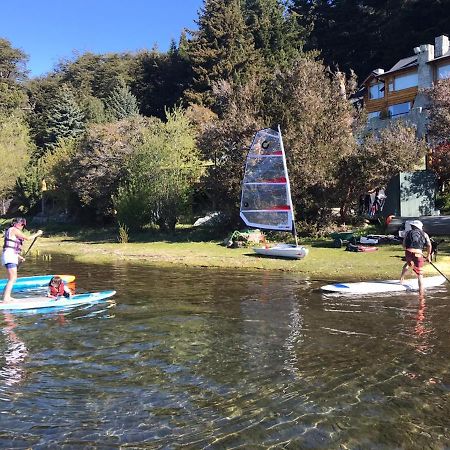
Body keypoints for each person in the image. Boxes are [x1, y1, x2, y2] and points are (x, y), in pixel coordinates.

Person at [1, 218, 43, 302]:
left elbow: (11, 248)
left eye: (23, 225)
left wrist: (20, 257)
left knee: (11, 278)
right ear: (16, 223)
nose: (22, 226)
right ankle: (6, 298)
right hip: (9, 256)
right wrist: (38, 233)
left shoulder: (11, 230)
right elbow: (27, 238)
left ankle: (6, 297)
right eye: (22, 224)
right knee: (13, 278)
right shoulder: (13, 230)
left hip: (10, 255)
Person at [400, 220, 432, 297]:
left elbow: (404, 245)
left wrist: (409, 251)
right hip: (418, 253)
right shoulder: (424, 234)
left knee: (408, 263)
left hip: (408, 252)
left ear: (412, 226)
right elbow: (429, 245)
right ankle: (421, 293)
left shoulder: (407, 233)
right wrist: (428, 256)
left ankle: (401, 279)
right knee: (420, 274)